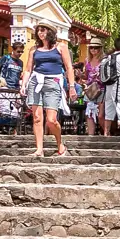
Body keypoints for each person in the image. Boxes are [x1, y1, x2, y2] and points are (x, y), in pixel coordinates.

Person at [21, 25, 75, 157]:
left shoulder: (61, 47)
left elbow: (68, 67)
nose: (40, 33)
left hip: (53, 81)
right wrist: (24, 84)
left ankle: (60, 144)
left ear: (50, 32)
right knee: (37, 118)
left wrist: (72, 86)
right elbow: (28, 69)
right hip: (36, 81)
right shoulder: (34, 49)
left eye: (43, 30)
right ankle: (39, 149)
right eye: (38, 30)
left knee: (51, 120)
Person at [81, 41, 105, 135]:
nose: (93, 50)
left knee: (100, 115)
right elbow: (86, 76)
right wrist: (80, 75)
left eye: (96, 48)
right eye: (91, 47)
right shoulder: (87, 61)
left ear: (100, 49)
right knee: (89, 112)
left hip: (101, 88)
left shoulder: (104, 60)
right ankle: (91, 135)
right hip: (91, 89)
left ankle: (106, 133)